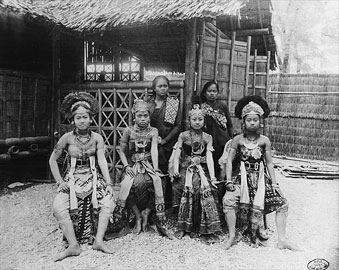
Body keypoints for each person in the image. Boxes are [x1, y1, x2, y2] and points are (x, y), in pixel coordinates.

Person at [222, 95, 299, 250]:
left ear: (260, 121)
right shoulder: (237, 140)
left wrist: (275, 183)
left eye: (255, 119)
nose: (252, 122)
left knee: (283, 203)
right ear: (243, 122)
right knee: (228, 200)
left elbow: (269, 163)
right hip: (242, 179)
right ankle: (231, 236)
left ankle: (282, 240)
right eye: (249, 119)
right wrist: (229, 181)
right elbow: (229, 161)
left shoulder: (264, 140)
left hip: (261, 179)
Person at [49, 92, 114, 262]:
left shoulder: (97, 138)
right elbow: (52, 160)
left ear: (91, 118)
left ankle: (98, 241)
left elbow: (102, 161)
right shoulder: (66, 138)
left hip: (93, 177)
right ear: (72, 120)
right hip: (72, 178)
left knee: (107, 202)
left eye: (85, 117)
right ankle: (73, 245)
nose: (82, 121)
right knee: (58, 206)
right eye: (78, 118)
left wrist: (108, 183)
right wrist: (60, 182)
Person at [113, 99, 166, 235]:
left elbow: (154, 149)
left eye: (145, 116)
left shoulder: (153, 131)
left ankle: (147, 212)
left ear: (149, 116)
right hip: (132, 165)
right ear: (134, 116)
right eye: (139, 116)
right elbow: (121, 150)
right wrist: (126, 166)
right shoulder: (128, 130)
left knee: (159, 181)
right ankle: (137, 216)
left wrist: (155, 169)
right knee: (128, 183)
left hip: (148, 164)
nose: (143, 119)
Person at [171, 104, 222, 244]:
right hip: (185, 168)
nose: (197, 122)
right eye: (194, 119)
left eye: (200, 119)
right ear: (189, 120)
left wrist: (212, 177)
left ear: (204, 120)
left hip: (201, 169)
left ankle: (201, 227)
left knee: (202, 189)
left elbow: (210, 158)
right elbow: (177, 155)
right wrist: (175, 170)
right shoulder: (183, 136)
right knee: (178, 186)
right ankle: (182, 226)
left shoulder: (207, 137)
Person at [148, 75, 182, 210]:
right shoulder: (148, 104)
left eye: (165, 86)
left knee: (168, 173)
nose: (163, 88)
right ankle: (152, 205)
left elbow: (178, 126)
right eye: (160, 86)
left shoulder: (173, 103)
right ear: (154, 88)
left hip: (168, 142)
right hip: (150, 143)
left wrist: (165, 140)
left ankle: (167, 205)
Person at [200, 81, 233, 181]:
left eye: (214, 91)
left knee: (222, 166)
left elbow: (229, 124)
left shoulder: (222, 106)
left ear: (217, 93)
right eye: (209, 91)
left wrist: (231, 140)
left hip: (223, 140)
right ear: (205, 93)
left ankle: (222, 186)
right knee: (210, 165)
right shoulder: (202, 108)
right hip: (208, 142)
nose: (212, 93)